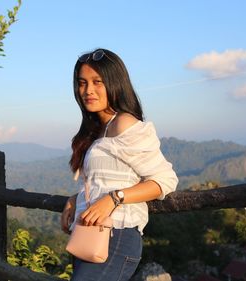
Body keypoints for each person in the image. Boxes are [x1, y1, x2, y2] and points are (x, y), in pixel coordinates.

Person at [61, 48, 179, 280]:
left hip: (117, 236)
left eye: (98, 82)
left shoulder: (125, 124)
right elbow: (103, 180)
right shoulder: (98, 129)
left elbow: (165, 180)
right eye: (82, 83)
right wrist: (74, 200)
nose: (88, 90)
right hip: (89, 235)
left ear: (115, 84)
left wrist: (115, 198)